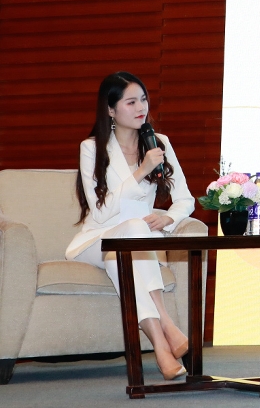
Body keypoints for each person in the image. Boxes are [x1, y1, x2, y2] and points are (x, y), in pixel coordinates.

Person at [66, 72, 196, 381]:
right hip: (96, 240)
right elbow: (100, 213)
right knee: (132, 233)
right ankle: (166, 322)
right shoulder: (92, 148)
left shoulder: (159, 143)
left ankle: (160, 347)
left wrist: (169, 218)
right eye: (131, 102)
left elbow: (186, 199)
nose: (141, 108)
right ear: (110, 109)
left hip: (133, 243)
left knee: (123, 255)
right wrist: (141, 171)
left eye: (144, 100)